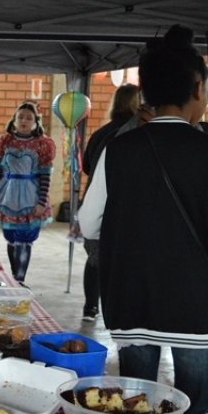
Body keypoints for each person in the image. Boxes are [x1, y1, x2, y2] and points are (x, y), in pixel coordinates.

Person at [78, 25, 208, 414]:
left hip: (133, 301)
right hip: (194, 310)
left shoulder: (120, 149)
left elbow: (87, 221)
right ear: (196, 89)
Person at [80, 84, 140, 320]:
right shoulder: (136, 135)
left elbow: (85, 166)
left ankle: (90, 307)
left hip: (95, 199)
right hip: (124, 204)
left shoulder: (101, 132)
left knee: (95, 258)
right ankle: (118, 310)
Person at [0, 102, 56, 284]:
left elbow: (45, 177)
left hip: (31, 196)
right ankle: (14, 278)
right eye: (20, 117)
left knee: (25, 239)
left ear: (36, 122)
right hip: (7, 196)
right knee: (11, 238)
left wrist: (42, 202)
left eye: (29, 118)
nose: (24, 121)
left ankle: (20, 279)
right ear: (14, 120)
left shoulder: (43, 145)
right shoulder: (4, 142)